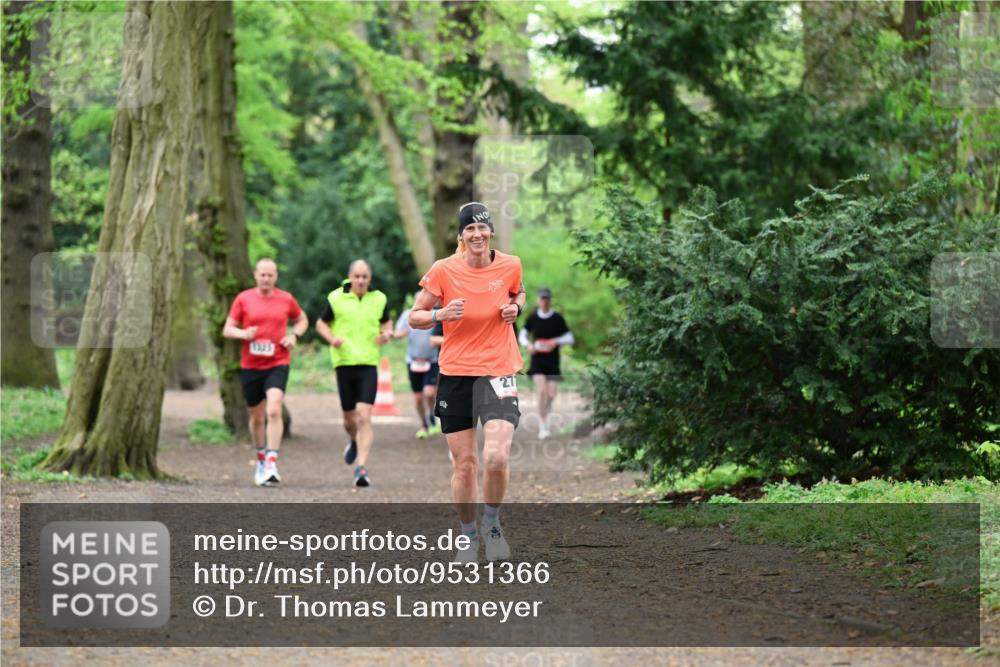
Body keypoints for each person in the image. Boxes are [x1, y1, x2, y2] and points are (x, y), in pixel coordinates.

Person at [409, 202, 526, 563]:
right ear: (461, 237)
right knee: (465, 465)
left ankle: (492, 524)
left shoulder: (510, 264)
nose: (477, 234)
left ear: (491, 232)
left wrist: (516, 308)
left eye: (483, 228)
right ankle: (467, 535)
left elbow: (517, 292)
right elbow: (415, 317)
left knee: (495, 456)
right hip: (457, 374)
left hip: (498, 370)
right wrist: (440, 314)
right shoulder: (443, 270)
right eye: (470, 230)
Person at [223, 258, 308, 487]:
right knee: (257, 417)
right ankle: (261, 458)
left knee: (273, 408)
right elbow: (227, 328)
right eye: (263, 275)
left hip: (278, 362)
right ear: (256, 275)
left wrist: (293, 336)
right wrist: (243, 334)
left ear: (276, 277)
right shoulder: (244, 299)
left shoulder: (286, 299)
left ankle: (272, 461)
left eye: (270, 275)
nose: (266, 279)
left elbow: (302, 319)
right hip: (251, 365)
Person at [315, 259, 392, 487]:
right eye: (357, 276)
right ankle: (353, 440)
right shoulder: (335, 298)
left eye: (364, 277)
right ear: (350, 276)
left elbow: (387, 324)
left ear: (369, 278)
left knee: (364, 415)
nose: (360, 281)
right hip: (344, 362)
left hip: (368, 362)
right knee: (349, 419)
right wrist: (332, 339)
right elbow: (320, 324)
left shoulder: (379, 299)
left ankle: (361, 468)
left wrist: (386, 335)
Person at [519, 287, 574, 439]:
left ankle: (545, 414)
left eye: (547, 299)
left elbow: (570, 338)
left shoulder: (557, 318)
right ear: (538, 300)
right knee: (541, 391)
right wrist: (528, 345)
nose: (544, 301)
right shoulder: (532, 318)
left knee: (551, 394)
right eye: (542, 298)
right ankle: (543, 426)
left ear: (550, 300)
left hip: (553, 362)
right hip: (537, 361)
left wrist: (555, 341)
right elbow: (522, 335)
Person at [394, 293, 443, 439]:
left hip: (432, 360)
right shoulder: (407, 315)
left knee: (429, 393)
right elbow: (397, 334)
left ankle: (433, 419)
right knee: (418, 398)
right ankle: (424, 424)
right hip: (413, 360)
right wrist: (401, 333)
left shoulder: (435, 315)